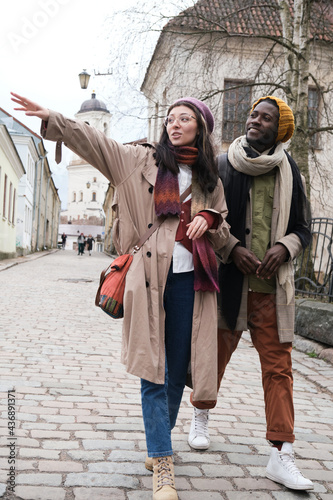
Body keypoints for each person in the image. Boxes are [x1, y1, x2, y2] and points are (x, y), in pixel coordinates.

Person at [11, 91, 230, 500]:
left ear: (201, 128)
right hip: (147, 279)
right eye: (170, 118)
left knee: (178, 368)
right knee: (152, 368)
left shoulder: (209, 180)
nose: (174, 123)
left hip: (191, 284)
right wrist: (55, 119)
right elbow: (95, 142)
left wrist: (208, 217)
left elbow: (221, 227)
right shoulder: (138, 161)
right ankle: (162, 463)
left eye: (184, 118)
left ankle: (157, 440)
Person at [187, 96, 313, 491]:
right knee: (215, 356)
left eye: (265, 117)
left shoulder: (290, 169)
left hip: (271, 290)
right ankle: (200, 415)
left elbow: (304, 228)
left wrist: (285, 246)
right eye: (253, 114)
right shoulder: (223, 164)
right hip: (230, 283)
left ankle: (282, 454)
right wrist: (232, 249)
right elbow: (206, 214)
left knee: (279, 370)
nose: (254, 119)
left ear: (279, 130)